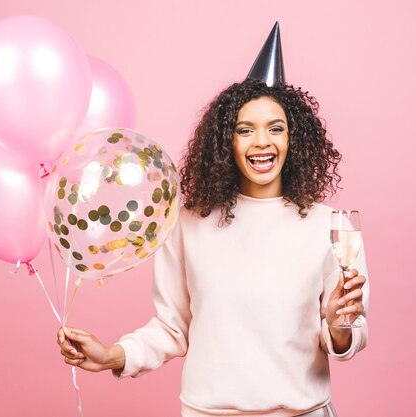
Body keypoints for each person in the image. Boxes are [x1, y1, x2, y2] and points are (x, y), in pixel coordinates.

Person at [57, 24, 369, 417]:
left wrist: (339, 324)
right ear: (226, 142)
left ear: (295, 140)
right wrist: (112, 356)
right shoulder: (187, 223)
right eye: (245, 130)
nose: (262, 142)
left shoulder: (331, 226)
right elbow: (172, 328)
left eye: (276, 128)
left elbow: (347, 336)